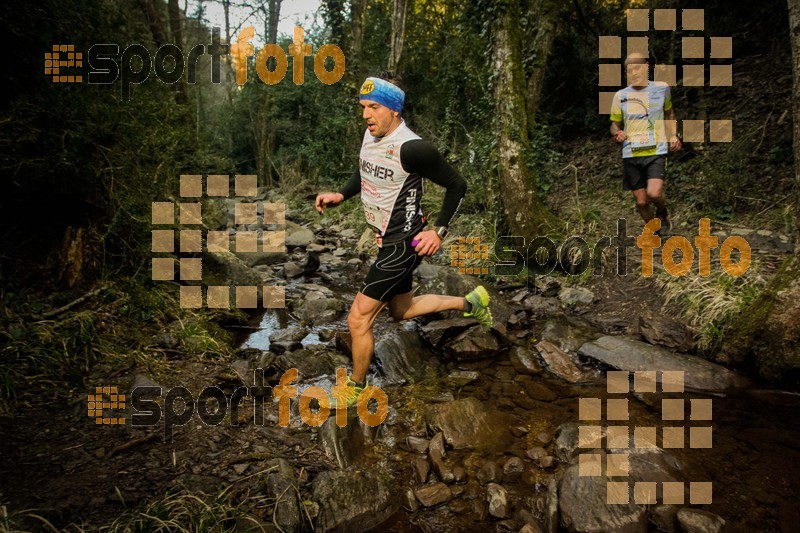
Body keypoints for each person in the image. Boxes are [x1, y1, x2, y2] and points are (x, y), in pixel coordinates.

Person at [314, 72, 493, 405]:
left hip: (404, 243)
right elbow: (364, 169)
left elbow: (458, 186)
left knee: (358, 318)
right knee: (401, 309)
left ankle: (355, 388)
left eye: (374, 107)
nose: (366, 115)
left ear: (394, 110)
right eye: (363, 107)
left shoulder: (413, 148)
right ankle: (471, 302)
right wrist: (341, 194)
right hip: (386, 239)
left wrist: (437, 231)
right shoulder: (371, 134)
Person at [610, 53, 682, 233]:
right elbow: (614, 125)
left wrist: (673, 135)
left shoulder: (662, 88)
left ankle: (662, 212)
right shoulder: (620, 96)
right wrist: (617, 133)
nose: (633, 73)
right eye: (629, 70)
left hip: (656, 151)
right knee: (642, 202)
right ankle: (655, 230)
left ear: (646, 67)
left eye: (637, 68)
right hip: (631, 153)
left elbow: (669, 114)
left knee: (654, 193)